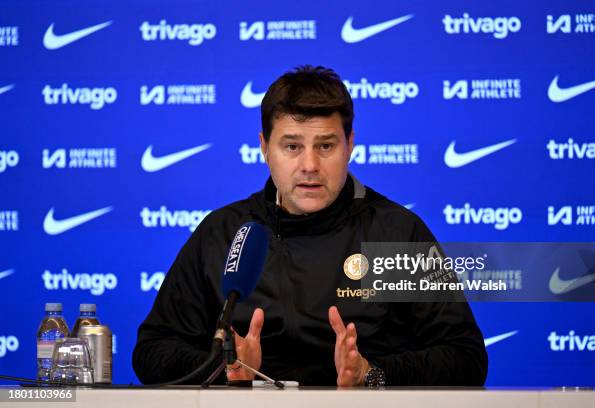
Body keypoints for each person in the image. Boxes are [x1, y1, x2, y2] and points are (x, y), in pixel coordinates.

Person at [132, 65, 488, 387]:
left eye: (326, 145)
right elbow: (151, 351)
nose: (309, 165)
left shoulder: (394, 233)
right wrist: (226, 368)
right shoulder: (225, 233)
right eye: (291, 146)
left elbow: (465, 358)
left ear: (350, 145)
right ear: (264, 148)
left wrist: (370, 373)